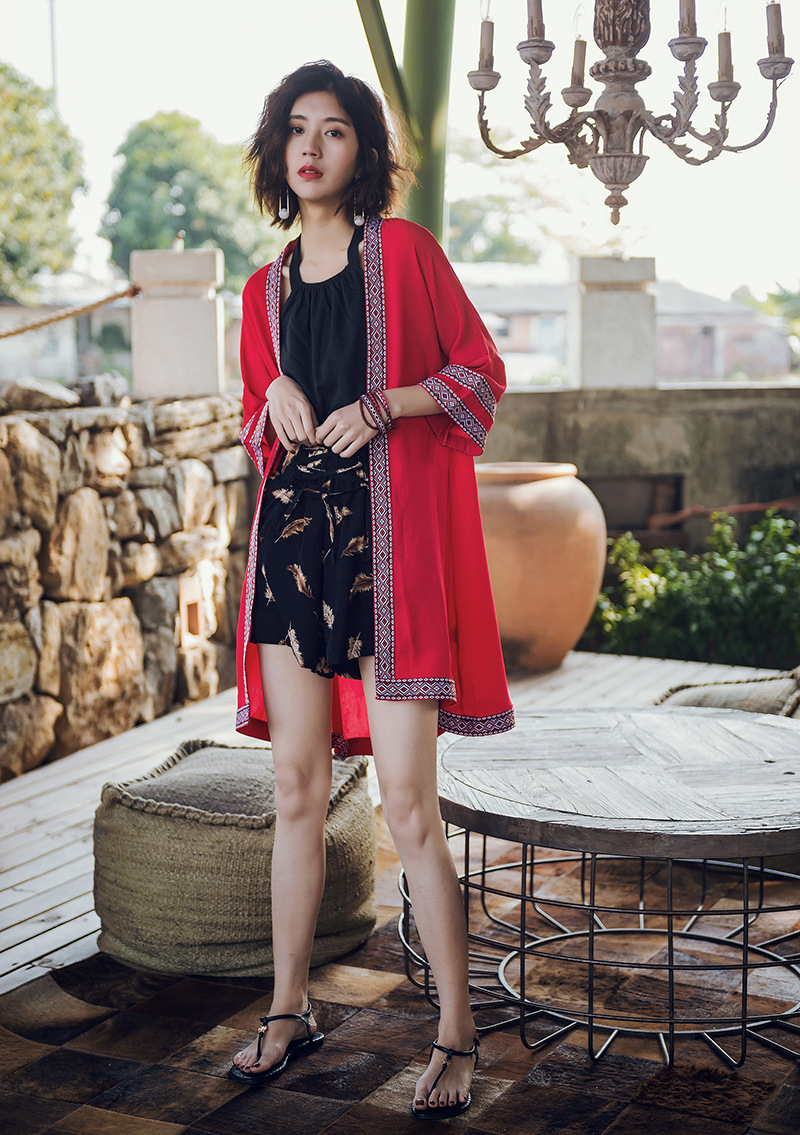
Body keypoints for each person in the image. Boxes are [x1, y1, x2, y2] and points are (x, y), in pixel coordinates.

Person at [230, 60, 514, 1120]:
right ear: (278, 150)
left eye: (335, 129)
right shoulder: (260, 292)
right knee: (296, 790)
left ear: (362, 152)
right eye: (296, 129)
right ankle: (287, 1009)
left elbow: (479, 372)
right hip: (292, 553)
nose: (311, 147)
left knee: (406, 803)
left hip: (387, 557)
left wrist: (386, 403)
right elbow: (255, 416)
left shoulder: (404, 253)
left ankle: (456, 1030)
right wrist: (275, 390)